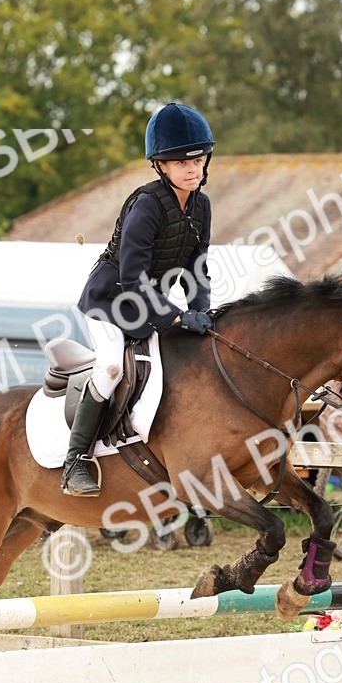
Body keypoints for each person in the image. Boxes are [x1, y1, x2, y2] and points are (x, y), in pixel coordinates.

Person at [61, 102, 215, 496]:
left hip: (151, 302)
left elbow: (197, 269)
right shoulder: (147, 204)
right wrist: (178, 319)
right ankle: (75, 460)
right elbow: (132, 278)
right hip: (110, 300)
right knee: (112, 367)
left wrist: (202, 312)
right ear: (160, 166)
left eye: (197, 159)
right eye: (181, 162)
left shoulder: (202, 206)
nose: (192, 168)